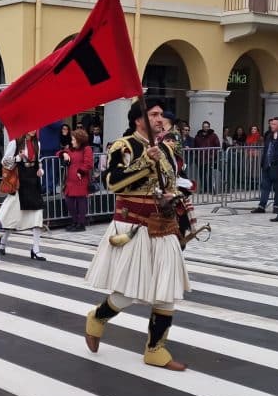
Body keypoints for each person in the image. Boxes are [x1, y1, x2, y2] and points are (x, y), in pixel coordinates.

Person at [84, 99, 189, 371]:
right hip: (134, 225)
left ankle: (155, 349)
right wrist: (144, 162)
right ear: (137, 119)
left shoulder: (165, 148)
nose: (159, 118)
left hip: (163, 225)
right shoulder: (124, 145)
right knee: (129, 291)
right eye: (153, 114)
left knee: (167, 290)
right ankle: (97, 316)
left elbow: (172, 183)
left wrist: (178, 198)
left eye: (160, 114)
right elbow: (113, 182)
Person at [0, 130, 46, 260]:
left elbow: (38, 161)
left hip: (33, 182)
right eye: (30, 127)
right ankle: (3, 241)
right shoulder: (15, 142)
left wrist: (40, 169)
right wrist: (17, 158)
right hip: (19, 182)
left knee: (37, 216)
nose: (33, 130)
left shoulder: (37, 143)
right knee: (12, 216)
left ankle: (36, 249)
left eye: (35, 127)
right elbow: (4, 162)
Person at [58, 129, 94, 232]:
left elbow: (89, 163)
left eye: (73, 139)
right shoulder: (72, 149)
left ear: (79, 140)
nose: (72, 141)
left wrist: (81, 172)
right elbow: (58, 152)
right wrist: (63, 154)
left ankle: (81, 223)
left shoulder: (87, 149)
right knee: (69, 201)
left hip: (80, 179)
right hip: (70, 180)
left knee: (81, 201)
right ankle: (75, 221)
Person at [251, 117, 278, 214]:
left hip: (277, 165)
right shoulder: (269, 135)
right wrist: (263, 162)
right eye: (271, 124)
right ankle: (262, 205)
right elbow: (266, 149)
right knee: (265, 186)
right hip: (266, 164)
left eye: (274, 124)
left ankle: (277, 205)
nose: (271, 126)